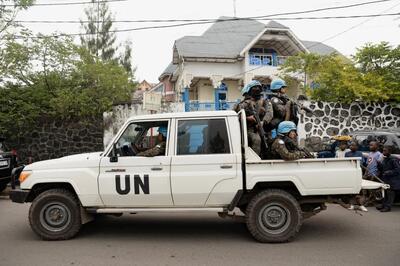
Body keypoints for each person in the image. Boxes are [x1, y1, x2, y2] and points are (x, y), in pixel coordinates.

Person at [233, 80, 273, 156]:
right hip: (248, 128)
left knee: (268, 142)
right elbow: (234, 116)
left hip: (262, 127)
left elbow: (270, 113)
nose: (257, 89)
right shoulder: (244, 103)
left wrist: (263, 122)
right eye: (254, 88)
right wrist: (247, 118)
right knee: (256, 140)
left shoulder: (265, 101)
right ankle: (254, 159)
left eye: (259, 87)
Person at [345, 142, 368, 212]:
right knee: (352, 191)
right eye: (351, 145)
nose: (352, 147)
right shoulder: (347, 154)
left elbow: (361, 163)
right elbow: (346, 163)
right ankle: (351, 205)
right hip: (350, 173)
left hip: (358, 173)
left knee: (359, 190)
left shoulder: (359, 153)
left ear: (357, 147)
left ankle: (361, 205)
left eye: (354, 145)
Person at [376, 146, 400, 212]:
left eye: (385, 151)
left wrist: (389, 172)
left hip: (393, 180)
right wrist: (379, 165)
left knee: (390, 194)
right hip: (386, 179)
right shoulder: (385, 159)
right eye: (383, 151)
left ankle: (388, 207)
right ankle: (384, 205)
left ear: (389, 151)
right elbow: (382, 169)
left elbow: (397, 170)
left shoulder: (394, 159)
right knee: (385, 192)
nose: (383, 152)